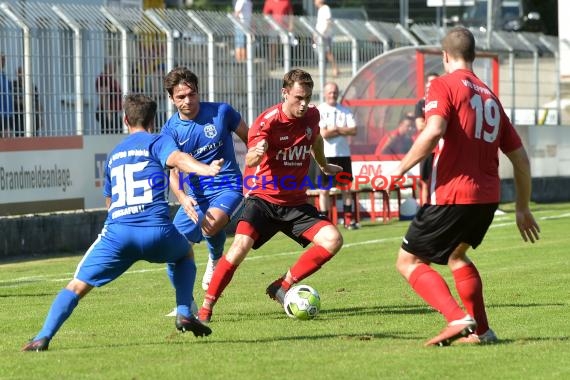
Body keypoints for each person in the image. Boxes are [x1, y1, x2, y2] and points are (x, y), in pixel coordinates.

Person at [22, 94, 222, 352]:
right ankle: (184, 311)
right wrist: (205, 169)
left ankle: (43, 336)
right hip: (157, 232)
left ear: (125, 119)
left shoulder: (115, 154)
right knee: (185, 253)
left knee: (77, 284)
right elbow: (178, 159)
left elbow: (109, 200)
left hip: (117, 234)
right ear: (153, 120)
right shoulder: (158, 141)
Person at [388, 27, 540, 347]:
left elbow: (432, 133)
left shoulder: (442, 85)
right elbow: (522, 160)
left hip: (453, 194)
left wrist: (399, 169)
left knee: (409, 261)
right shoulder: (491, 97)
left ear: (444, 56)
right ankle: (482, 332)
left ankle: (457, 318)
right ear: (474, 56)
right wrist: (523, 207)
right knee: (457, 256)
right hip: (487, 198)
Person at [196, 68, 344, 323]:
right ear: (284, 93)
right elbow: (252, 156)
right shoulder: (268, 121)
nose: (304, 103)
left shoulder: (312, 115)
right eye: (298, 97)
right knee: (239, 248)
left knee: (333, 239)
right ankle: (206, 309)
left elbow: (315, 139)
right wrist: (258, 151)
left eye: (307, 97)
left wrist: (322, 164)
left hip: (296, 203)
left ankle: (283, 285)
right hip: (263, 200)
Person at [161, 67, 248, 303]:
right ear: (171, 98)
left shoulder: (221, 112)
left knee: (211, 222)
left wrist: (257, 168)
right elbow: (173, 169)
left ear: (198, 92)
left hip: (229, 186)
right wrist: (182, 197)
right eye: (181, 97)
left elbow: (251, 138)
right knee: (172, 250)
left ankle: (214, 255)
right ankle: (185, 306)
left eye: (192, 94)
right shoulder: (170, 130)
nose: (188, 100)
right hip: (196, 197)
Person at [316, 82, 358, 229]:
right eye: (330, 92)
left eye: (335, 92)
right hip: (325, 155)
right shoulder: (319, 110)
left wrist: (336, 129)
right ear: (325, 93)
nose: (332, 95)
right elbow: (324, 133)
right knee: (324, 190)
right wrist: (341, 130)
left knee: (346, 188)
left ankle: (348, 220)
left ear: (338, 93)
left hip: (343, 154)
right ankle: (325, 222)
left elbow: (353, 130)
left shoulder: (345, 111)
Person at [414, 72, 439, 205]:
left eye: (436, 81)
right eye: (430, 82)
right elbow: (420, 126)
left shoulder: (443, 101)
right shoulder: (421, 104)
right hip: (427, 149)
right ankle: (424, 210)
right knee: (425, 181)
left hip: (441, 149)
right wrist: (437, 124)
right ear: (426, 85)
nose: (432, 85)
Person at [12, 66, 43, 136]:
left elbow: (37, 103)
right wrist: (24, 102)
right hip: (19, 120)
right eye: (20, 72)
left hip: (33, 121)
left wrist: (40, 118)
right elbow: (12, 100)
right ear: (17, 74)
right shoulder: (13, 85)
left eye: (24, 72)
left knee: (34, 139)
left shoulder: (32, 86)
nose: (22, 75)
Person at [263, 0, 293, 68]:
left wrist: (291, 24)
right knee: (273, 45)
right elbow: (265, 15)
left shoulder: (286, 1)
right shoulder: (269, 2)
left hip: (284, 27)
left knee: (286, 44)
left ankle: (287, 63)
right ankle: (272, 63)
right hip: (272, 27)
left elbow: (290, 13)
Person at [95, 60, 123, 134]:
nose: (116, 67)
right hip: (108, 112)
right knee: (111, 133)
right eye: (114, 65)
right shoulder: (104, 78)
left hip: (112, 112)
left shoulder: (110, 78)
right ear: (109, 66)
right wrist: (108, 113)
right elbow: (104, 96)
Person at [314, 0, 339, 77]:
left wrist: (324, 32)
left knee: (328, 52)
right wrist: (315, 34)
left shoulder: (325, 8)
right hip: (320, 35)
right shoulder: (320, 10)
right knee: (323, 53)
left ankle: (335, 69)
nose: (314, 2)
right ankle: (323, 70)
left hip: (325, 35)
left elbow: (328, 21)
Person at [0, 53, 13, 138]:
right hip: (2, 113)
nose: (3, 61)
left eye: (4, 59)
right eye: (2, 59)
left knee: (8, 139)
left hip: (8, 113)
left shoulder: (4, 76)